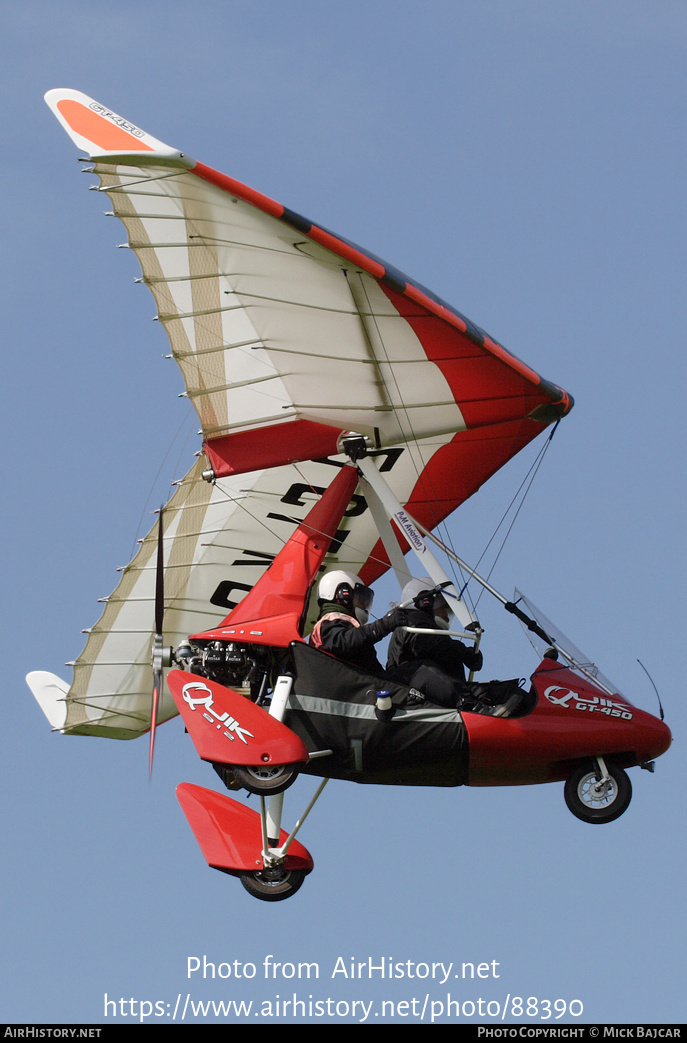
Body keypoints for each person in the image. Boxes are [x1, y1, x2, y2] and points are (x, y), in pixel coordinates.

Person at [386, 577, 485, 709]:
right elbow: (426, 644)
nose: (446, 614)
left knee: (484, 691)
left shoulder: (433, 634)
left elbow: (440, 646)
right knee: (428, 669)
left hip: (431, 693)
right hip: (409, 686)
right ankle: (468, 703)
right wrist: (464, 652)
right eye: (443, 607)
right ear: (425, 603)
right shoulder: (411, 621)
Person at [309, 569, 407, 676]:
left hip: (361, 684)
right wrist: (383, 625)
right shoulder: (329, 622)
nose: (364, 605)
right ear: (343, 594)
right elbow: (343, 642)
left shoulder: (341, 624)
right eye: (360, 599)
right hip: (351, 687)